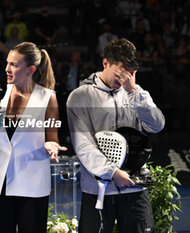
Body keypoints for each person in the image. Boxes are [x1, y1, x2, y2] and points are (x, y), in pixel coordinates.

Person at [66, 38, 165, 233]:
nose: (123, 79)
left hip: (135, 186)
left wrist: (134, 92)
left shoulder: (136, 93)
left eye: (129, 73)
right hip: (98, 189)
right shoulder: (80, 96)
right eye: (120, 72)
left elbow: (157, 125)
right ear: (105, 63)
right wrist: (111, 172)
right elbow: (83, 145)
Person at [0, 42, 67, 233]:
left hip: (32, 184)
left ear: (31, 69)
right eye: (7, 63)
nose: (7, 69)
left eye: (14, 65)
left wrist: (52, 146)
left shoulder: (47, 97)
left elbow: (52, 137)